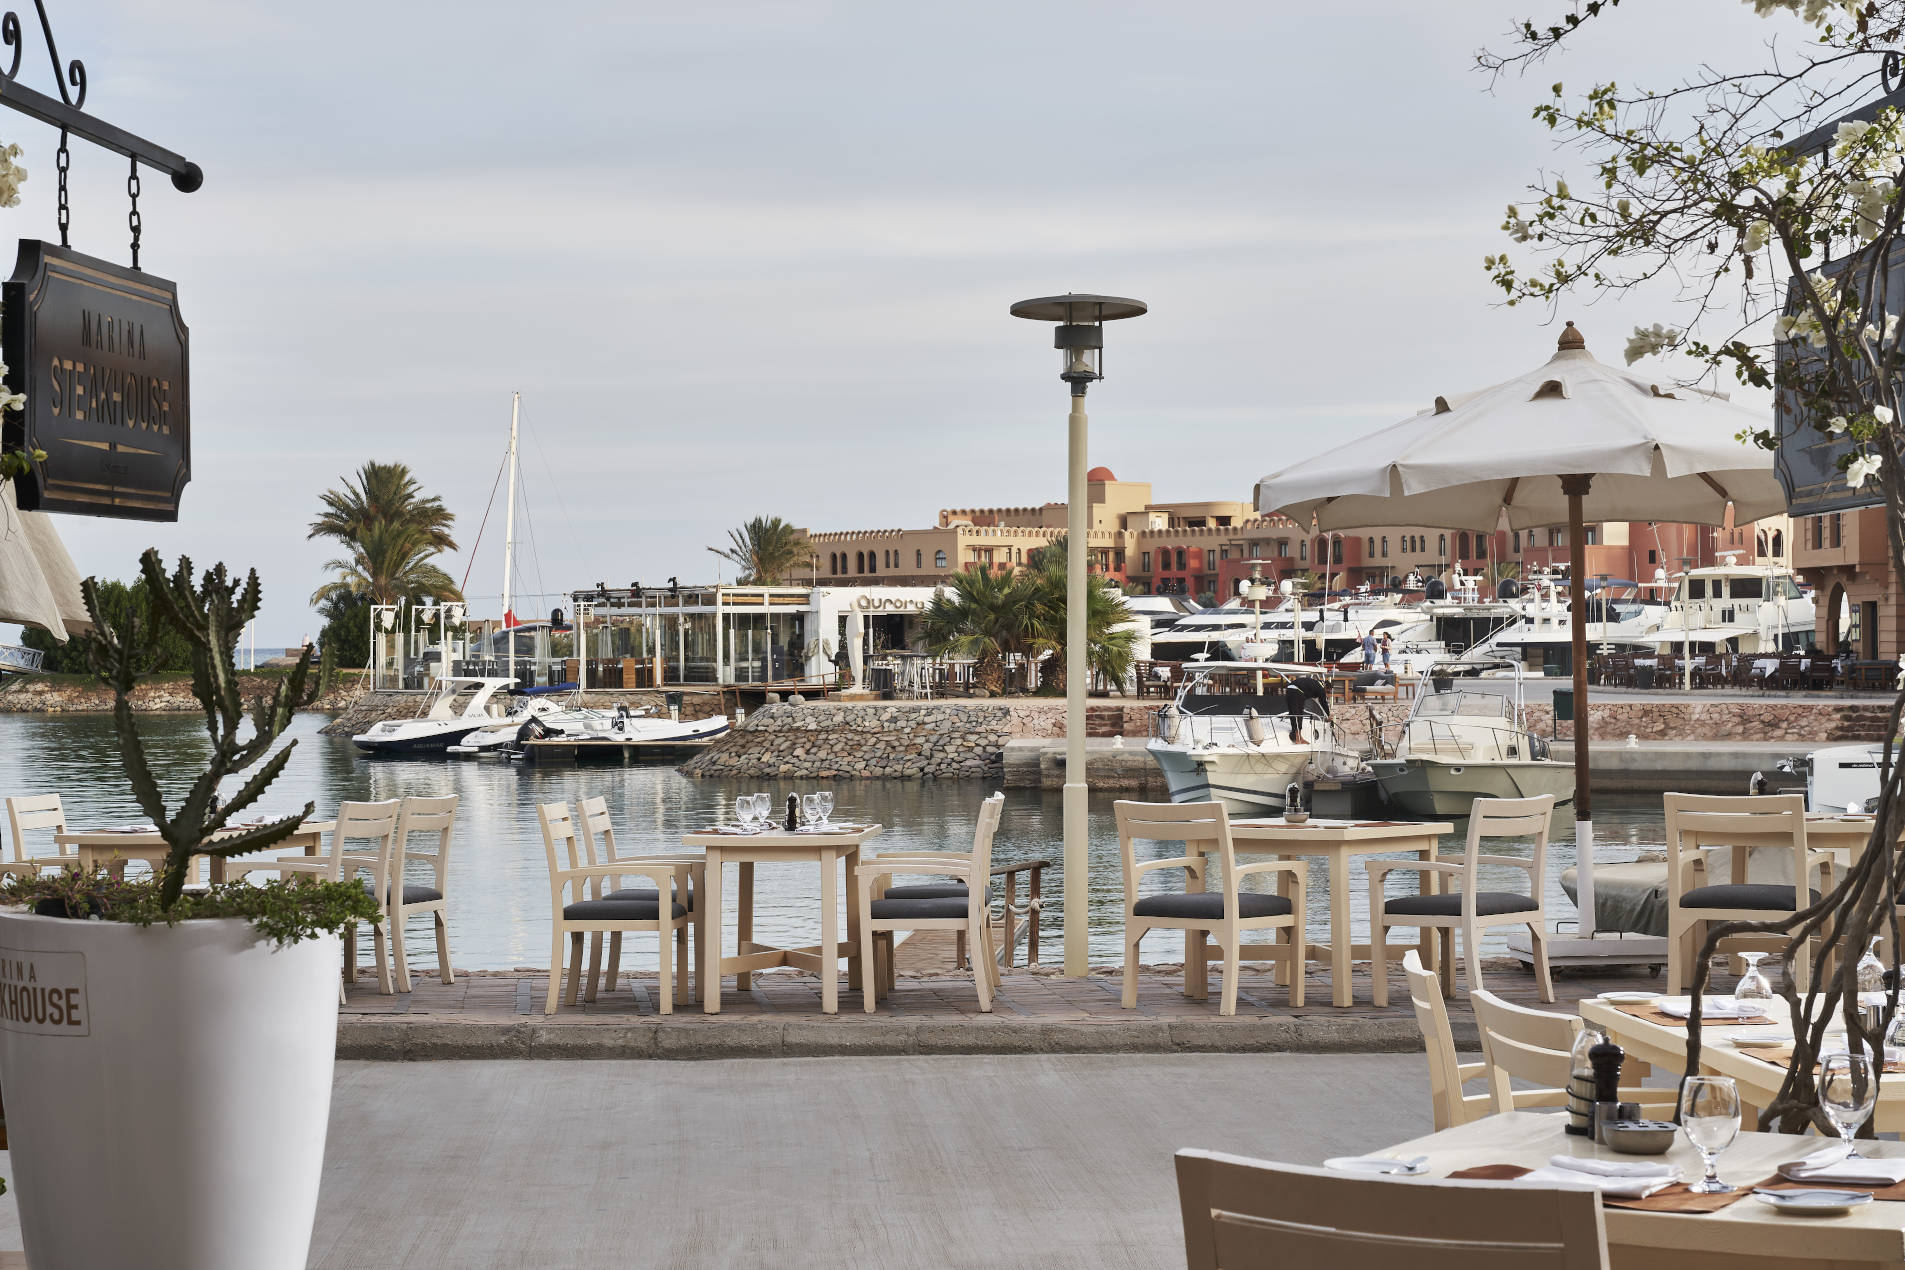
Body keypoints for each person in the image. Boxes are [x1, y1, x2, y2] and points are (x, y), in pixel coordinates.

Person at [1282, 674, 1331, 743]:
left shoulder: (1315, 683)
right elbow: (1323, 702)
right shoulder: (1321, 688)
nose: (1327, 694)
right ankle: (1298, 738)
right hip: (1297, 691)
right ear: (1326, 687)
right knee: (1298, 714)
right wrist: (1327, 715)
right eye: (1328, 691)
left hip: (1289, 689)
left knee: (1293, 713)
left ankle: (1296, 735)